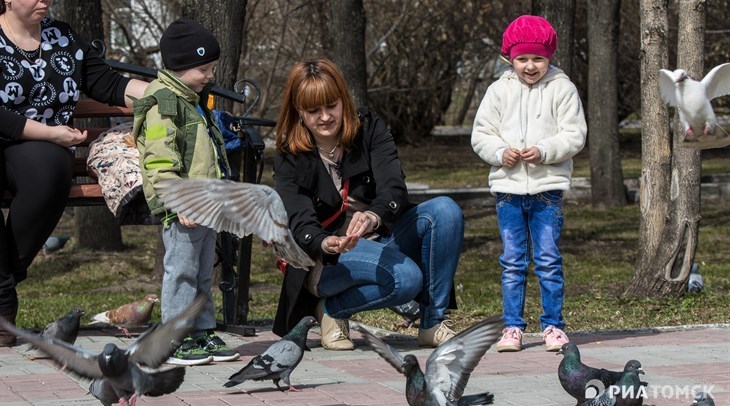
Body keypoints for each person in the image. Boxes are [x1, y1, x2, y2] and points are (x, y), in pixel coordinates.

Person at [272, 58, 464, 350]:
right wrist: (327, 243)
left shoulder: (370, 128)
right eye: (313, 110)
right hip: (325, 258)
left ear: (343, 101)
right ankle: (332, 309)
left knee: (445, 211)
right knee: (405, 278)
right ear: (299, 112)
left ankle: (433, 322)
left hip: (381, 235)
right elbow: (299, 220)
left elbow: (394, 187)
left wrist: (374, 215)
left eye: (331, 105)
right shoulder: (289, 154)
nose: (325, 117)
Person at [0, 0, 147, 346]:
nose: (44, 0)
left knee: (50, 170)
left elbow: (107, 83)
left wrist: (159, 92)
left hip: (37, 152)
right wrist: (50, 132)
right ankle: (3, 304)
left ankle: (2, 281)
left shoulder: (63, 37)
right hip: (30, 136)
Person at [471, 15, 586, 352]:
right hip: (508, 191)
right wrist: (499, 153)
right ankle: (512, 328)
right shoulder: (498, 91)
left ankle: (553, 326)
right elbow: (481, 134)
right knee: (512, 260)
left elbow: (574, 134)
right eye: (522, 59)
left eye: (538, 58)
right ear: (510, 58)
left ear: (549, 57)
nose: (531, 66)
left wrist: (545, 150)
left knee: (548, 259)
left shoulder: (562, 88)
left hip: (547, 191)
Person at [132, 18, 237, 365]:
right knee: (181, 271)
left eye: (211, 69)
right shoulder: (164, 102)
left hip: (204, 205)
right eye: (204, 69)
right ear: (180, 66)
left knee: (203, 271)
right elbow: (159, 162)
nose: (209, 76)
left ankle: (202, 330)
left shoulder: (191, 99)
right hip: (183, 211)